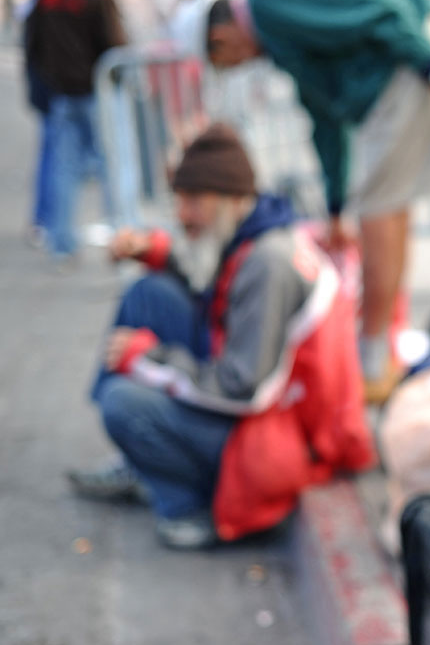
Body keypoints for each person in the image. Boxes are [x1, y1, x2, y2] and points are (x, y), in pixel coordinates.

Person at [68, 123, 376, 549]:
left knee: (125, 401)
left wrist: (151, 359)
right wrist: (156, 252)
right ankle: (138, 457)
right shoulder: (253, 230)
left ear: (231, 199)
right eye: (179, 199)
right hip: (270, 404)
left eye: (193, 201)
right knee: (148, 293)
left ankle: (186, 506)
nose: (182, 213)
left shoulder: (268, 263)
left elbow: (243, 389)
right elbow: (213, 285)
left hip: (288, 438)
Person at [202, 0, 430, 403]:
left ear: (222, 39)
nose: (238, 67)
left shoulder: (268, 5)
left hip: (411, 60)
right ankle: (381, 352)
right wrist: (335, 207)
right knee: (387, 208)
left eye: (226, 62)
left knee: (379, 211)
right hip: (413, 57)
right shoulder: (277, 29)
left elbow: (381, 10)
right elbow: (326, 121)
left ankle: (372, 362)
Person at [23, 0, 127, 263]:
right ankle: (123, 235)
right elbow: (116, 46)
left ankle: (62, 245)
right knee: (112, 166)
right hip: (92, 94)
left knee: (64, 169)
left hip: (64, 94)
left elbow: (32, 44)